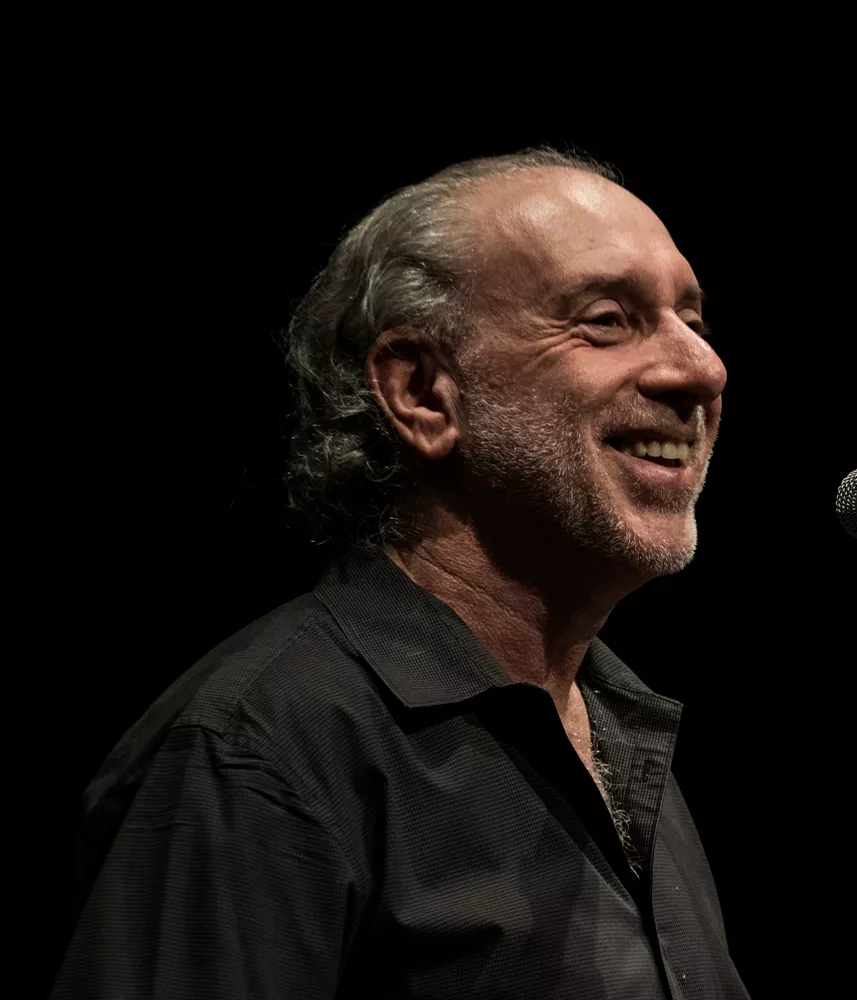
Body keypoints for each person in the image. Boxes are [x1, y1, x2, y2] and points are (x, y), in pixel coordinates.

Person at [51, 147, 749, 999]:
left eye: (694, 321)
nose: (702, 370)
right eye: (606, 319)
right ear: (423, 392)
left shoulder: (618, 730)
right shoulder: (261, 749)